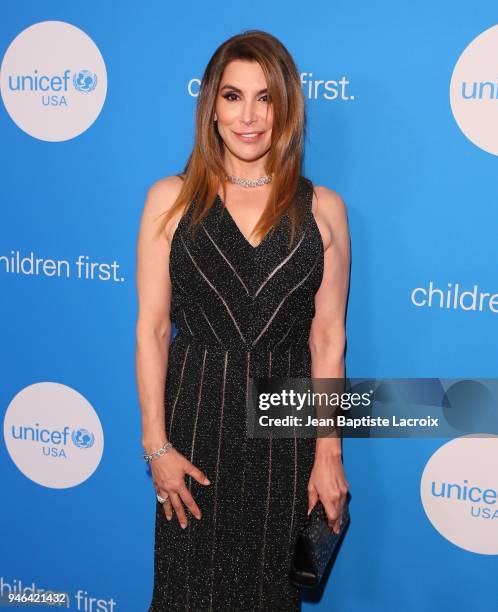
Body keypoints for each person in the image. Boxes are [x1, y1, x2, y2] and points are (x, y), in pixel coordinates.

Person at [135, 29, 350, 612]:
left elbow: (327, 339)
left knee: (269, 597)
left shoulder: (324, 209)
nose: (249, 116)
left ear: (286, 107)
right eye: (233, 97)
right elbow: (153, 330)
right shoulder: (170, 200)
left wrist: (327, 453)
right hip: (195, 427)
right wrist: (157, 447)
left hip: (284, 436)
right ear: (212, 106)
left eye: (265, 98)